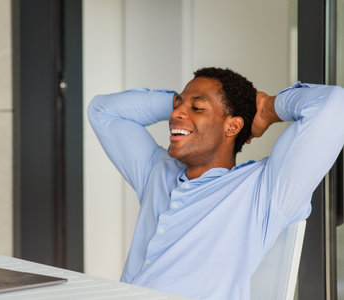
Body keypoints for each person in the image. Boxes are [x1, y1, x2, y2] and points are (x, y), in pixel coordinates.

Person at [87, 67, 344, 300]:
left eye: (198, 108)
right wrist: (180, 106)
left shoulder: (263, 190)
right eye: (178, 106)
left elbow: (335, 104)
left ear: (232, 126)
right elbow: (103, 111)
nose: (176, 113)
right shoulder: (157, 171)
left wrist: (267, 107)